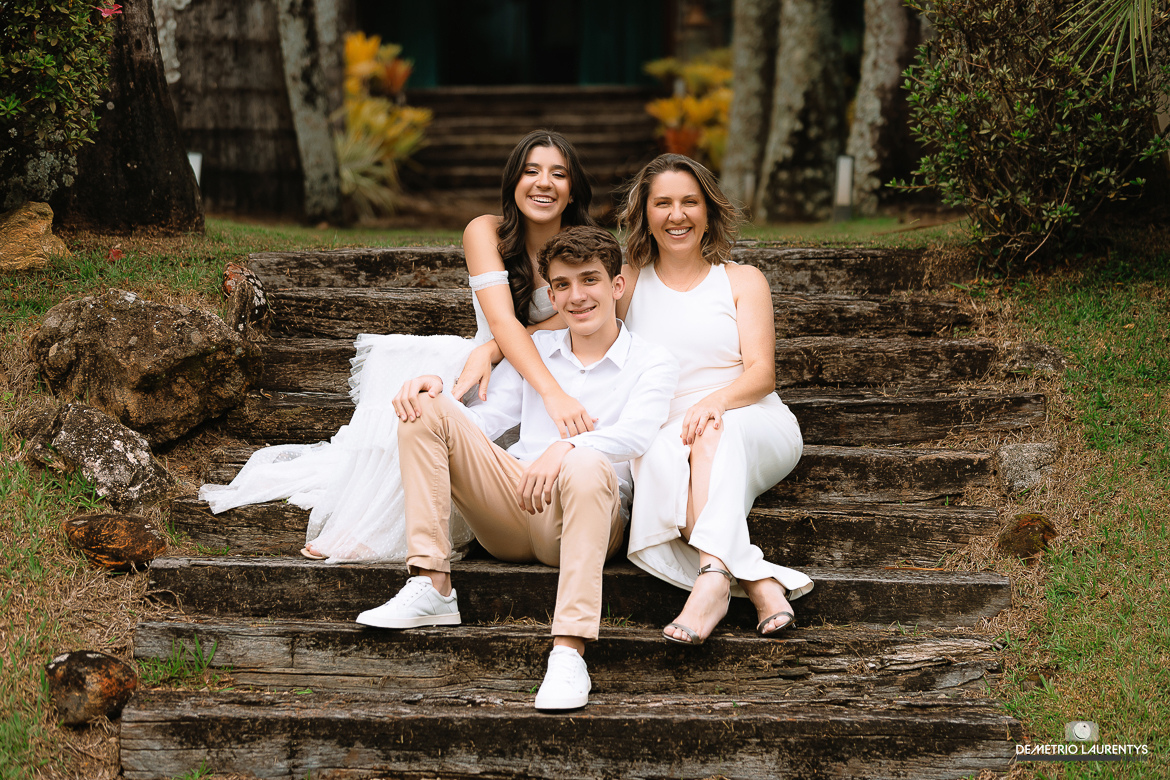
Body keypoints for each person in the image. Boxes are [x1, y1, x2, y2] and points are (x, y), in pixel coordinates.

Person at [198, 130, 601, 562]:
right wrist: (496, 354)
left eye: (558, 174)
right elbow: (502, 322)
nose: (544, 183)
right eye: (531, 171)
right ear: (513, 181)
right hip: (485, 370)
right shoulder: (485, 231)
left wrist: (502, 355)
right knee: (422, 406)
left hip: (547, 366)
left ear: (573, 187)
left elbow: (576, 317)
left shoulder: (588, 247)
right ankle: (374, 528)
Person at [356, 226, 678, 711]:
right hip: (514, 505)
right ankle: (431, 583)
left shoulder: (653, 360)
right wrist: (438, 393)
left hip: (585, 516)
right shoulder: (538, 355)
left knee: (587, 462)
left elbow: (638, 434)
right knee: (424, 407)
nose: (577, 295)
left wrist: (565, 447)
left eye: (589, 280)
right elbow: (480, 423)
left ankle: (568, 651)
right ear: (553, 297)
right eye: (563, 285)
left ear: (617, 286)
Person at [616, 153, 814, 645]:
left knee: (710, 433)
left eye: (689, 202)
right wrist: (492, 348)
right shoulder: (628, 281)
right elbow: (567, 317)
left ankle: (710, 586)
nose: (676, 215)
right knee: (666, 461)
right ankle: (757, 584)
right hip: (669, 432)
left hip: (750, 417)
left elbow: (762, 373)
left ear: (708, 211)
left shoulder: (742, 279)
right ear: (644, 214)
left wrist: (716, 403)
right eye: (662, 203)